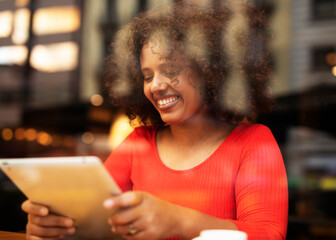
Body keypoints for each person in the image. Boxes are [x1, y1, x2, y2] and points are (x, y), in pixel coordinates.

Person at [21, 2, 288, 240]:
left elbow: (268, 234)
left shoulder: (252, 142)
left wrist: (176, 220)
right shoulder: (138, 143)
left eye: (171, 71)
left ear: (210, 73)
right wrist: (58, 224)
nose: (155, 86)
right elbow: (96, 219)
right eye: (147, 76)